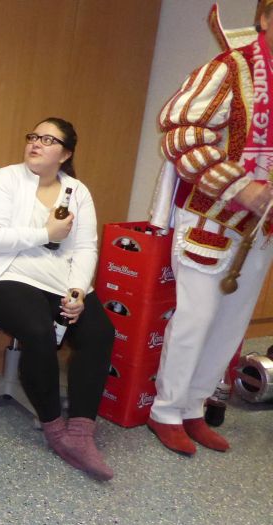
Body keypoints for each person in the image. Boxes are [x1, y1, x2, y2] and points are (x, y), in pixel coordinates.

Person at [146, 1, 273, 455]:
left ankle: (194, 407)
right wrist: (239, 186)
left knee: (230, 324)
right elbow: (181, 134)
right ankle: (166, 411)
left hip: (261, 227)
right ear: (265, 18)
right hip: (211, 216)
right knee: (195, 319)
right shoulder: (228, 69)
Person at [0, 119, 115, 480]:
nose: (36, 144)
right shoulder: (5, 179)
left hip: (58, 279)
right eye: (33, 137)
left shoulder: (77, 191)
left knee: (99, 332)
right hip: (3, 274)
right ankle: (55, 429)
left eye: (48, 140)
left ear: (65, 154)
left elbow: (85, 247)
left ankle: (81, 432)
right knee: (39, 330)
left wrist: (77, 291)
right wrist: (45, 233)